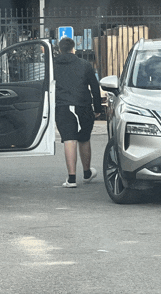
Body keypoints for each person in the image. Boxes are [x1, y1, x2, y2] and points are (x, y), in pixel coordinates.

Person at [54, 37, 101, 188]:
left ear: (60, 49)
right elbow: (94, 87)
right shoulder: (85, 65)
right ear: (73, 49)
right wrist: (98, 109)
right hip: (83, 106)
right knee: (84, 139)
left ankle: (71, 179)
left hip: (63, 106)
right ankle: (87, 173)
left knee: (69, 140)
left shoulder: (53, 65)